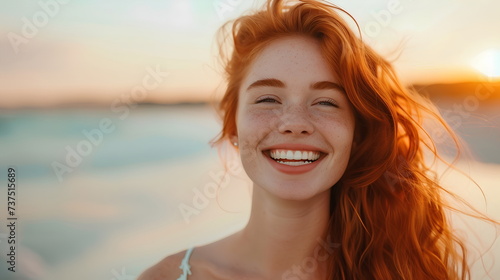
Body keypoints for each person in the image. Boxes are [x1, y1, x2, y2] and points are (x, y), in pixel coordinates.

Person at [139, 0, 498, 279]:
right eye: (268, 99)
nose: (294, 124)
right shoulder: (168, 277)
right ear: (233, 124)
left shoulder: (405, 273)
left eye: (326, 102)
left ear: (357, 134)